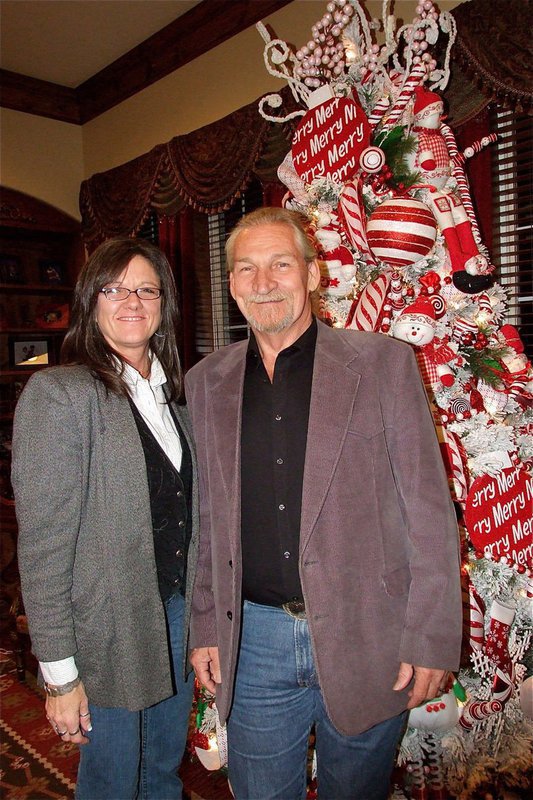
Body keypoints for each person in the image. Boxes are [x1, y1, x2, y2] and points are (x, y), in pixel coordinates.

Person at [185, 207, 463, 800]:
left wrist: (431, 636)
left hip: (371, 635)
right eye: (247, 269)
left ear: (312, 274)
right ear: (232, 284)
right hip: (253, 642)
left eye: (280, 264)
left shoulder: (382, 364)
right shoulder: (206, 381)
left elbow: (428, 511)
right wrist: (206, 620)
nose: (263, 283)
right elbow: (208, 517)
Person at [12, 237, 198, 800]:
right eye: (114, 289)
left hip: (176, 618)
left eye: (146, 288)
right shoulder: (60, 395)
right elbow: (44, 547)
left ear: (164, 303)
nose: (132, 301)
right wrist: (61, 673)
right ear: (90, 301)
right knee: (115, 782)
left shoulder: (176, 399)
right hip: (106, 633)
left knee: (162, 772)